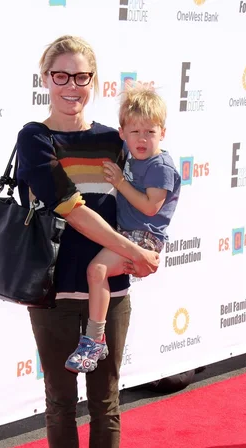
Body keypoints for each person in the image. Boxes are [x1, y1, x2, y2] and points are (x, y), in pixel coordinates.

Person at [16, 35, 160, 448]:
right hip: (52, 291)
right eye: (61, 75)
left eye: (81, 77)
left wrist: (148, 250)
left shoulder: (114, 141)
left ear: (94, 82)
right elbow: (70, 207)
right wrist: (131, 249)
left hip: (111, 290)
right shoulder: (34, 138)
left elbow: (148, 202)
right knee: (59, 405)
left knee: (105, 405)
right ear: (45, 78)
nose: (71, 86)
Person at [65, 87, 181, 373]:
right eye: (135, 132)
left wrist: (120, 183)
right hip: (127, 234)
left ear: (162, 133)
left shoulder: (159, 165)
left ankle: (94, 339)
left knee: (96, 271)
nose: (142, 139)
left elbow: (150, 207)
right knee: (96, 272)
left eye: (150, 132)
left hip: (144, 238)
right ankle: (96, 338)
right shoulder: (131, 151)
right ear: (123, 133)